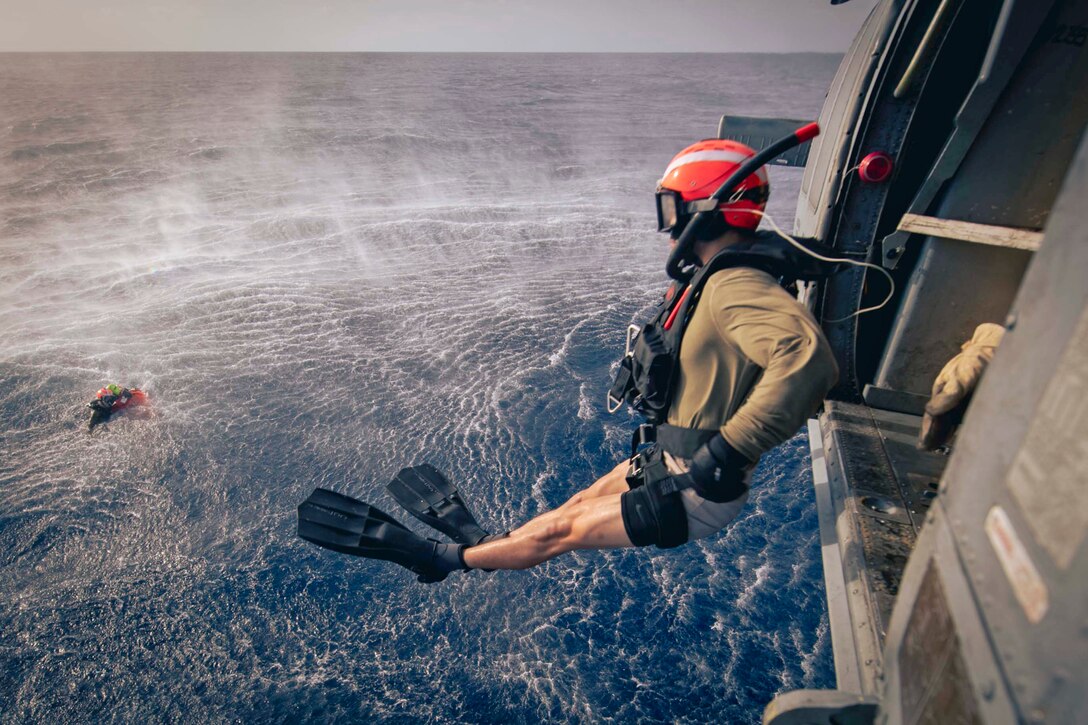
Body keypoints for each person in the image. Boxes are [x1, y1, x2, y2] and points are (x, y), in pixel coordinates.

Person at [299, 137, 840, 582]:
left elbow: (807, 359)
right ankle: (490, 546)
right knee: (572, 506)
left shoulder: (734, 283)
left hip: (695, 487)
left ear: (702, 207)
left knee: (561, 534)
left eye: (671, 205)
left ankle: (441, 559)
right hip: (666, 460)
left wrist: (726, 452)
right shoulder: (717, 280)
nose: (667, 221)